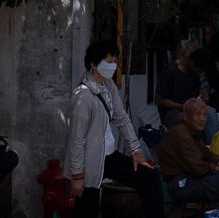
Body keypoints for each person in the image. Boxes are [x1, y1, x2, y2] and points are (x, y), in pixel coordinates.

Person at [66, 41, 163, 218]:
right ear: (94, 65)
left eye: (114, 61)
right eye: (108, 61)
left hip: (109, 155)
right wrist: (78, 175)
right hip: (90, 161)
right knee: (87, 209)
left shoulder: (108, 85)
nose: (112, 66)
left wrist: (136, 151)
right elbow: (77, 139)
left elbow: (122, 118)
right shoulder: (83, 96)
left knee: (150, 177)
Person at [158, 98, 219, 212]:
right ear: (186, 116)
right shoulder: (181, 135)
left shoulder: (191, 131)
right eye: (198, 115)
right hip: (183, 184)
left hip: (194, 176)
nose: (203, 119)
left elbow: (207, 153)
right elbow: (198, 168)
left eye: (205, 115)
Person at [154, 48, 219, 144]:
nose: (198, 74)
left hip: (189, 107)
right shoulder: (170, 70)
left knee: (211, 112)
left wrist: (200, 93)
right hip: (172, 112)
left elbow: (193, 91)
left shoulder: (193, 72)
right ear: (192, 62)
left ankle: (213, 146)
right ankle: (201, 149)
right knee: (197, 123)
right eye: (198, 71)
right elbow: (158, 100)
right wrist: (182, 106)